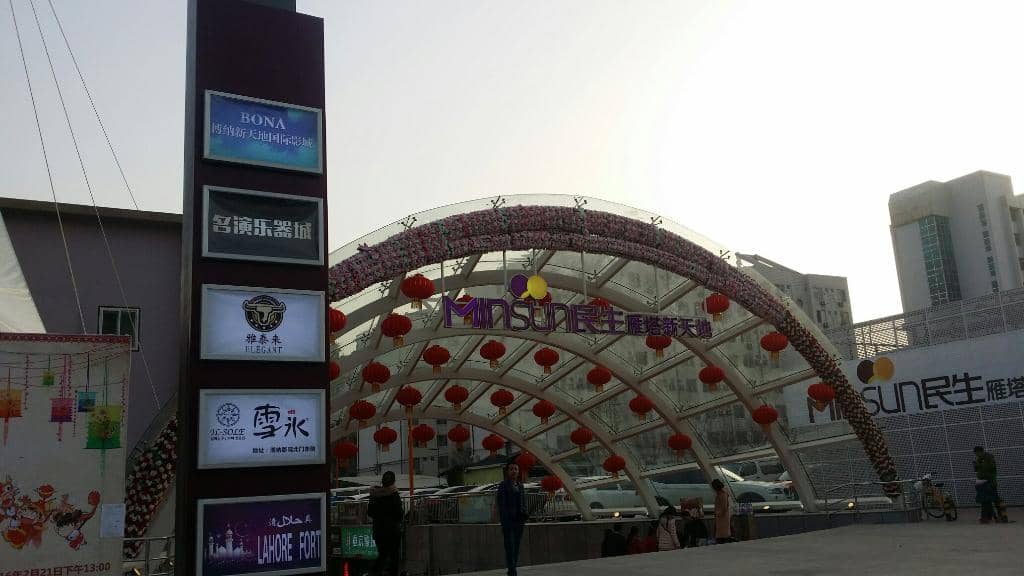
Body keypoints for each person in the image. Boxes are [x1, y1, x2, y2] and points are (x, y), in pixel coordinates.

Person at [367, 471, 404, 576]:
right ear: (393, 482)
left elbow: (370, 512)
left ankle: (374, 572)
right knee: (394, 556)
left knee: (382, 554)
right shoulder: (394, 494)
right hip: (392, 531)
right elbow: (399, 513)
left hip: (378, 531)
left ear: (382, 482)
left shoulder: (374, 494)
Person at [496, 462, 528, 576]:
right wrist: (504, 519)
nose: (514, 471)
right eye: (511, 469)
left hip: (519, 521)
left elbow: (524, 501)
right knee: (509, 546)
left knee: (517, 545)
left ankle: (512, 568)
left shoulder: (520, 485)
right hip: (508, 521)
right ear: (507, 472)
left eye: (516, 469)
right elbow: (501, 503)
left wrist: (525, 514)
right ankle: (512, 569)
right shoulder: (503, 485)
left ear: (518, 471)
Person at [974, 446, 999, 523]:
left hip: (989, 481)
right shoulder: (979, 459)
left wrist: (979, 464)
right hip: (982, 482)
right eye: (976, 454)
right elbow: (977, 470)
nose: (977, 455)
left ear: (981, 451)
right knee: (985, 500)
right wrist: (977, 465)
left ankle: (995, 516)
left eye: (977, 453)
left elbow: (989, 468)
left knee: (989, 500)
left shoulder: (989, 457)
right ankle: (989, 517)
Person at [712, 479, 734, 544]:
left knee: (723, 532)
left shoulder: (722, 494)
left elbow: (725, 506)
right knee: (721, 531)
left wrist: (719, 514)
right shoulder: (721, 493)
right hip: (720, 515)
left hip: (722, 516)